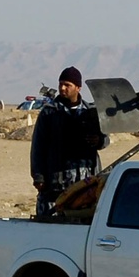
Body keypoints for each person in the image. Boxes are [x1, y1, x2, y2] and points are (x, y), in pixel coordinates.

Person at [30, 66, 109, 217]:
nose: (62, 88)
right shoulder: (49, 112)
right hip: (56, 182)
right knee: (50, 223)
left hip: (85, 182)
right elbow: (38, 146)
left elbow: (105, 139)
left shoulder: (90, 111)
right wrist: (38, 176)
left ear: (78, 88)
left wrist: (98, 140)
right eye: (61, 84)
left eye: (67, 85)